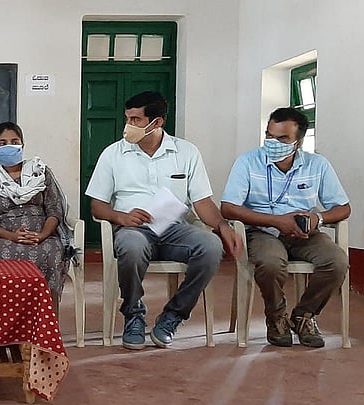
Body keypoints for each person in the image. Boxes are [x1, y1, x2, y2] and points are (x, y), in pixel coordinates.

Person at [85, 91, 241, 350]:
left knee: (211, 247)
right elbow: (97, 205)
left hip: (175, 230)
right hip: (134, 230)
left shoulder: (186, 152)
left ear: (157, 122)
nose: (128, 125)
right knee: (131, 247)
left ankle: (173, 316)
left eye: (136, 120)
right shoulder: (113, 154)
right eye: (127, 118)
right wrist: (121, 217)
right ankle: (134, 315)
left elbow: (202, 201)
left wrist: (223, 226)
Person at [220, 107, 349, 348]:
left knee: (337, 262)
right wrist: (277, 221)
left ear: (298, 142)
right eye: (269, 135)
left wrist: (318, 219)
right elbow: (228, 208)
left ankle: (304, 316)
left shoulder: (317, 165)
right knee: (270, 263)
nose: (273, 143)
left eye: (282, 139)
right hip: (261, 230)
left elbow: (343, 207)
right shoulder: (248, 162)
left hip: (304, 233)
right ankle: (276, 317)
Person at [0, 121, 73, 309]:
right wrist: (13, 236)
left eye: (14, 141)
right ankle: (9, 319)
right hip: (6, 238)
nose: (9, 146)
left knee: (53, 251)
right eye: (3, 143)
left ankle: (47, 320)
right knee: (0, 254)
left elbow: (54, 210)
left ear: (22, 144)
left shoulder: (40, 172)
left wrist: (42, 235)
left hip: (44, 236)